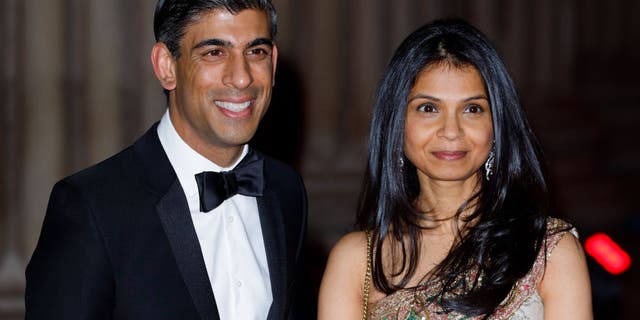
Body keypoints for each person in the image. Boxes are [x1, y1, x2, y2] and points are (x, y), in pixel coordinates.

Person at [25, 1, 307, 319]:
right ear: (166, 66)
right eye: (215, 52)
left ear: (274, 62)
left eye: (256, 52)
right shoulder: (91, 208)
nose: (241, 78)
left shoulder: (285, 191)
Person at [318, 19, 592, 319]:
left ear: (496, 124)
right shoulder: (356, 261)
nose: (451, 130)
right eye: (428, 108)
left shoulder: (549, 251)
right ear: (397, 123)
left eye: (472, 109)